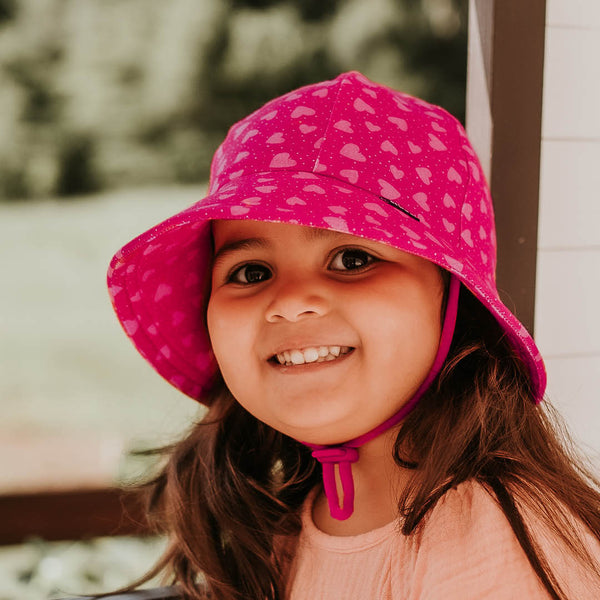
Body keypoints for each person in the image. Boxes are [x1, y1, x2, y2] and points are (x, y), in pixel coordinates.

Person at [107, 71, 600, 600]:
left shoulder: (486, 541)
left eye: (352, 259)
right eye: (251, 272)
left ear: (455, 301)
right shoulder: (287, 524)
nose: (291, 303)